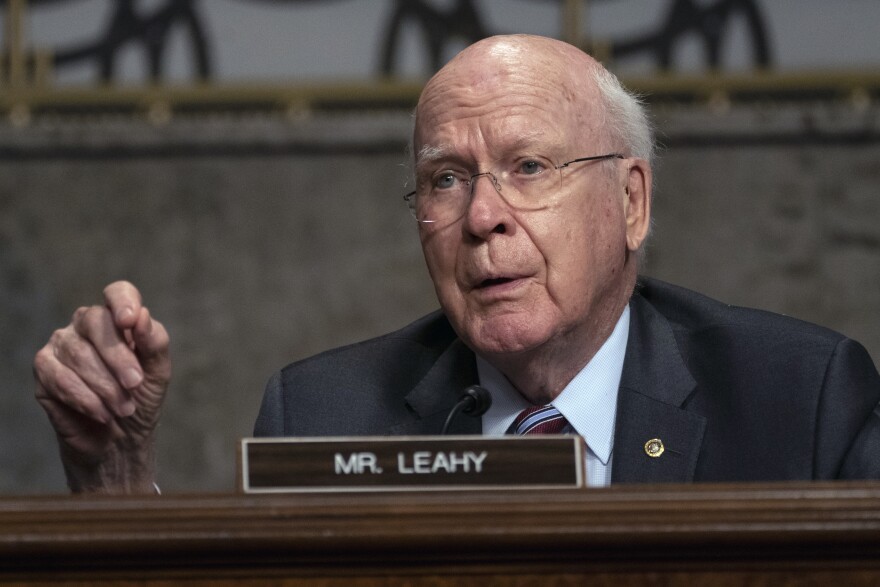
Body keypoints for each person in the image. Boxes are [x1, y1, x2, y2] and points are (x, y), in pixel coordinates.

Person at [33, 35, 880, 493]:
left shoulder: (800, 401)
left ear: (631, 203)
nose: (482, 217)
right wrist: (115, 478)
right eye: (446, 179)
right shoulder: (325, 412)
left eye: (529, 168)